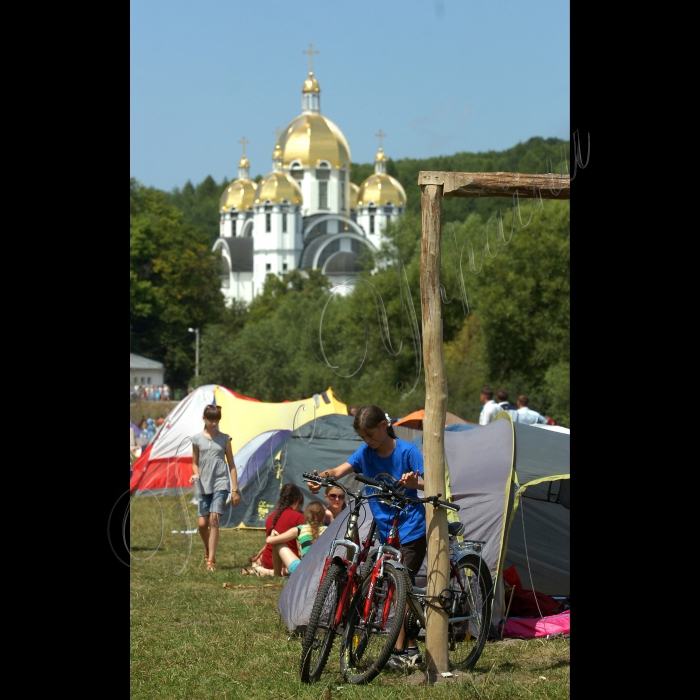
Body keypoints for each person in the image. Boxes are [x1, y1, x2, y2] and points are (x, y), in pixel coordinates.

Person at [307, 403, 426, 671]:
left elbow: (429, 482)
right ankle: (405, 646)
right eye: (363, 437)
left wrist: (413, 484)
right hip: (386, 530)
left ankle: (406, 649)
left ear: (384, 426)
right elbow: (338, 471)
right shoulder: (365, 453)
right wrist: (321, 479)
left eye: (370, 435)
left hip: (410, 530)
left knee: (399, 588)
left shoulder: (408, 451)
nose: (368, 442)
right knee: (384, 584)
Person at [189, 404, 241, 571]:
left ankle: (211, 560)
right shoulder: (197, 439)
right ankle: (207, 549)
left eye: (217, 419)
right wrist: (195, 474)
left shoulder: (225, 439)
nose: (214, 422)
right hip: (203, 485)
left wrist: (235, 490)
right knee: (202, 524)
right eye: (211, 419)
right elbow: (194, 463)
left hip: (221, 483)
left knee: (214, 520)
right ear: (204, 419)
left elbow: (232, 465)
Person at [252, 484, 305, 577]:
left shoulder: (270, 517)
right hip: (286, 563)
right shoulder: (299, 517)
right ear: (296, 502)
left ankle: (266, 571)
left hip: (268, 562)